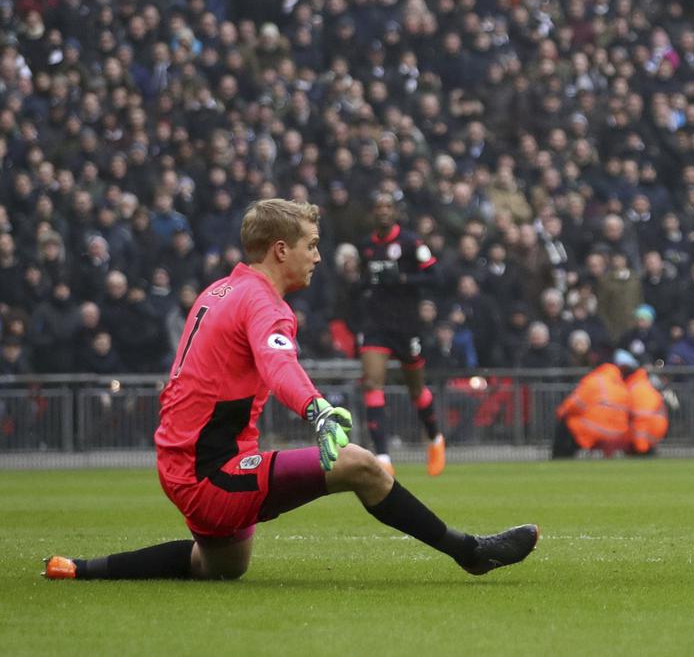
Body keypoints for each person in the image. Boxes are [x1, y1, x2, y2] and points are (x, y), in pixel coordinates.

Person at [43, 199, 537, 581]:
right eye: (312, 244)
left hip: (183, 462)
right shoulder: (265, 304)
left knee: (221, 567)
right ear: (282, 249)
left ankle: (83, 568)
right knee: (361, 465)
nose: (318, 256)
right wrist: (317, 409)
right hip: (211, 472)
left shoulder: (220, 290)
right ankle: (471, 553)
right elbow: (280, 365)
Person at [357, 193, 445, 476]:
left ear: (395, 212)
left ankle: (435, 438)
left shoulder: (411, 243)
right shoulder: (367, 246)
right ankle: (383, 457)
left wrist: (405, 279)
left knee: (416, 390)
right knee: (372, 383)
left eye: (387, 207)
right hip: (376, 324)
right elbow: (362, 282)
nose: (383, 212)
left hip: (406, 325)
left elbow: (436, 278)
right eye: (378, 207)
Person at [552, 350, 635, 459]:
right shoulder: (621, 385)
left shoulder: (594, 380)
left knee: (568, 423)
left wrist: (560, 412)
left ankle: (560, 457)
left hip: (596, 430)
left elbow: (574, 404)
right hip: (618, 433)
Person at [624, 354, 669, 456]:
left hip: (645, 428)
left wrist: (641, 447)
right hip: (660, 426)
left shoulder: (632, 386)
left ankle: (641, 451)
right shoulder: (648, 384)